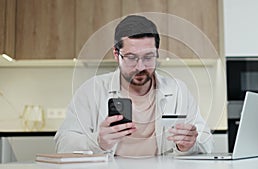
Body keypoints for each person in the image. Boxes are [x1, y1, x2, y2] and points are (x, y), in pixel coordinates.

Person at [54, 15, 213, 157]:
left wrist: (189, 145)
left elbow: (207, 141)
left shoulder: (178, 90)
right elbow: (63, 143)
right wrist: (98, 141)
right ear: (116, 55)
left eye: (148, 57)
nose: (140, 67)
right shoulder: (92, 90)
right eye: (131, 58)